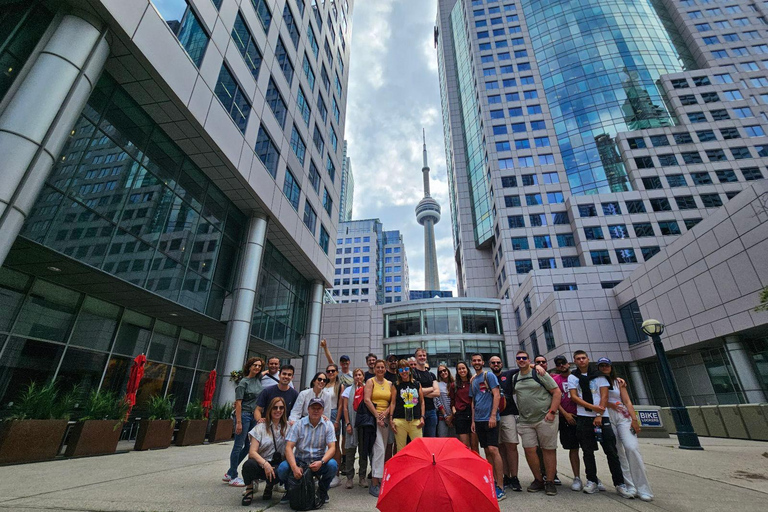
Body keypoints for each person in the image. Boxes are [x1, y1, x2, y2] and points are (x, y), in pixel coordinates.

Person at [567, 351, 633, 498]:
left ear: (588, 359)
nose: (581, 360)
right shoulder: (573, 377)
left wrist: (598, 413)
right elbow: (574, 397)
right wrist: (592, 407)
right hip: (583, 417)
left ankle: (619, 483)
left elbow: (604, 395)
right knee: (587, 451)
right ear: (574, 361)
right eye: (578, 359)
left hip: (602, 418)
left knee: (611, 451)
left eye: (583, 358)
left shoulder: (600, 376)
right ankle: (592, 480)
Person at [598, 358, 653, 502]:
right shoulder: (596, 382)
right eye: (601, 366)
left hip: (622, 416)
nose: (604, 367)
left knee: (632, 448)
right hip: (606, 415)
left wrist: (634, 419)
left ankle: (643, 488)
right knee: (618, 453)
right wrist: (609, 404)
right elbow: (596, 399)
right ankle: (629, 486)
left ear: (611, 367)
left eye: (607, 365)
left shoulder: (618, 382)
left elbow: (627, 401)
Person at [510, 351, 561, 496]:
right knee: (529, 450)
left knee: (548, 449)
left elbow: (557, 392)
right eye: (518, 358)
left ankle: (550, 482)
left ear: (529, 359)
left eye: (524, 358)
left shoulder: (539, 373)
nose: (521, 360)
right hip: (525, 421)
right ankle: (538, 480)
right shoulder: (515, 377)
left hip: (545, 418)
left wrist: (552, 412)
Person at [277, 398, 338, 506]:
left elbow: (332, 447)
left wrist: (322, 462)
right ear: (308, 409)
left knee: (333, 465)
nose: (316, 411)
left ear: (323, 410)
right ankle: (290, 490)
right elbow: (288, 447)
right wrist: (294, 467)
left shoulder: (328, 425)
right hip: (300, 459)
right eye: (313, 408)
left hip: (319, 460)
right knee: (282, 468)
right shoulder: (298, 424)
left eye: (318, 408)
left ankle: (323, 490)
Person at [469, 353, 506, 502]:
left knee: (493, 449)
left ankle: (501, 487)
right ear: (471, 363)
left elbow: (496, 395)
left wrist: (492, 416)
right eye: (474, 360)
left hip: (490, 418)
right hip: (478, 420)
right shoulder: (473, 380)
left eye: (479, 360)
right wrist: (473, 421)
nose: (476, 362)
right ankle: (492, 482)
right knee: (486, 451)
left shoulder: (489, 376)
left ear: (483, 362)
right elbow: (473, 402)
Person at [224, 357, 264, 486]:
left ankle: (230, 471)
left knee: (248, 446)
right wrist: (239, 422)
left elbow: (265, 372)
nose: (257, 368)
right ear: (249, 366)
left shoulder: (257, 380)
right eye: (254, 365)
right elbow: (238, 404)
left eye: (259, 366)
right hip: (244, 415)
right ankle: (233, 476)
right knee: (238, 445)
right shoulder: (243, 383)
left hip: (253, 416)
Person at [240, 396, 288, 504]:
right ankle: (249, 489)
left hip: (275, 464)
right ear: (270, 409)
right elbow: (252, 452)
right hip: (260, 463)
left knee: (283, 469)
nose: (278, 410)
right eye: (275, 408)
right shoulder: (260, 427)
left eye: (281, 408)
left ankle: (269, 486)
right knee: (248, 465)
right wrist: (265, 464)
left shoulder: (287, 427)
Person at [363, 359, 394, 497]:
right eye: (378, 367)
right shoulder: (370, 382)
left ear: (385, 369)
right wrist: (377, 416)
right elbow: (367, 399)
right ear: (374, 369)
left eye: (382, 367)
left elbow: (392, 402)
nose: (380, 369)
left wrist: (386, 414)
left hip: (385, 419)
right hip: (373, 419)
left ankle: (380, 479)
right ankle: (374, 482)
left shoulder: (390, 384)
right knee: (379, 449)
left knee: (384, 449)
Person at [551, 355, 583, 491]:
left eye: (563, 363)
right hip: (566, 417)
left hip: (582, 415)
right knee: (573, 448)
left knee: (588, 448)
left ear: (568, 363)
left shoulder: (577, 377)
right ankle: (577, 477)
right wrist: (565, 414)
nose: (562, 366)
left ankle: (592, 477)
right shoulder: (555, 380)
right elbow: (554, 398)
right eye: (558, 364)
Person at [342, 368, 370, 489]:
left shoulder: (368, 389)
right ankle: (349, 477)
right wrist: (348, 423)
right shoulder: (348, 390)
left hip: (363, 424)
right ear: (353, 377)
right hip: (352, 423)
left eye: (360, 375)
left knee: (363, 451)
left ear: (363, 377)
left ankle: (362, 477)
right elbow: (345, 408)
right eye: (355, 375)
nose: (358, 377)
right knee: (350, 452)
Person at [390, 359, 425, 451]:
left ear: (409, 370)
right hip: (400, 420)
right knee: (401, 449)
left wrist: (422, 417)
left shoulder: (417, 384)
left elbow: (422, 402)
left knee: (419, 448)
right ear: (398, 372)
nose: (404, 372)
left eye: (406, 369)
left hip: (415, 420)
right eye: (401, 370)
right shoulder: (395, 385)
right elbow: (393, 403)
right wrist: (391, 419)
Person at [324, 364, 345, 488]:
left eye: (333, 371)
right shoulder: (323, 384)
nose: (330, 373)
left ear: (337, 372)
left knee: (335, 445)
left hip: (333, 413)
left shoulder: (339, 386)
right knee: (323, 444)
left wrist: (337, 420)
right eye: (328, 371)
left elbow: (341, 405)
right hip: (322, 414)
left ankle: (335, 473)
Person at [450, 361, 477, 452]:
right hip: (461, 415)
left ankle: (476, 465)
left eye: (463, 368)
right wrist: (454, 411)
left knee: (474, 445)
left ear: (467, 369)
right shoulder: (454, 385)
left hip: (473, 414)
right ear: (457, 371)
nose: (462, 370)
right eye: (459, 369)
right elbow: (452, 401)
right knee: (464, 446)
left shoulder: (473, 382)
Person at [412, 348, 439, 437]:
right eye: (420, 356)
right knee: (419, 440)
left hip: (432, 411)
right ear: (416, 358)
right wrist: (431, 388)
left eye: (424, 355)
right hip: (417, 412)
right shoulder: (412, 374)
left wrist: (421, 392)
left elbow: (437, 393)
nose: (422, 357)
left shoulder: (431, 375)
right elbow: (414, 393)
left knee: (431, 440)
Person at [434, 364, 455, 438]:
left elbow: (456, 401)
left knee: (454, 442)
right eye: (440, 372)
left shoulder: (455, 384)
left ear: (448, 371)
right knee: (442, 440)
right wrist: (446, 417)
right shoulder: (437, 384)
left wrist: (451, 417)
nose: (443, 373)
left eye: (444, 370)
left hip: (454, 417)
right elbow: (437, 401)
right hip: (442, 418)